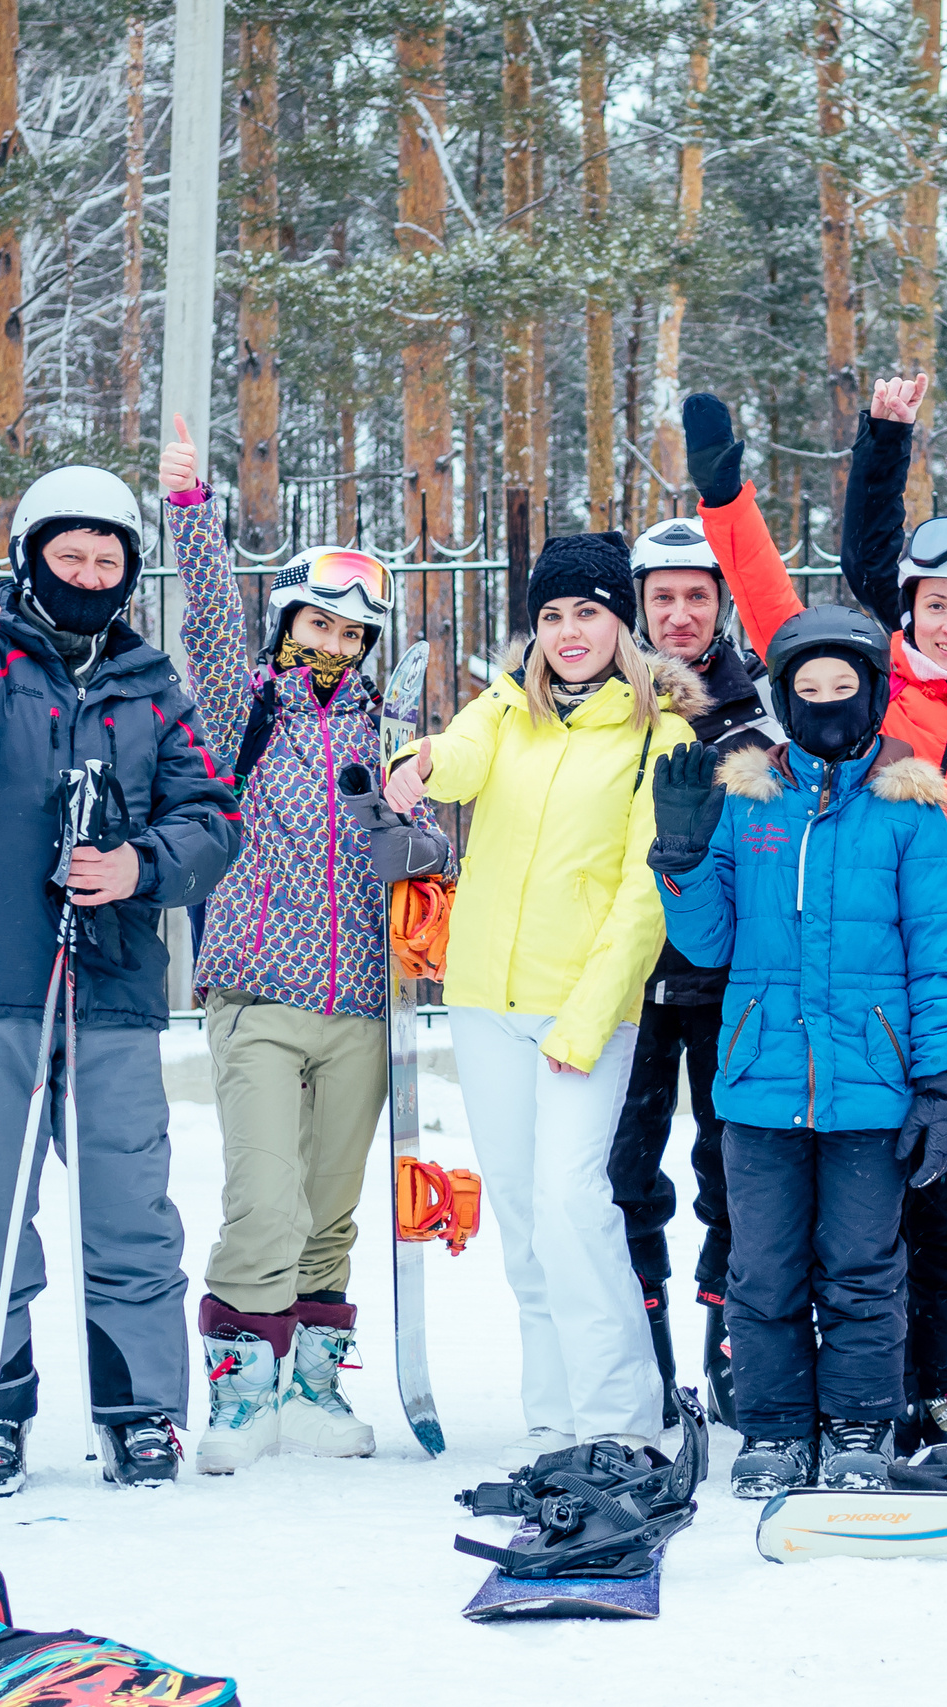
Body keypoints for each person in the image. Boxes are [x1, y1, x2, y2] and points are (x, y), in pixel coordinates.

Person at [676, 385, 947, 1446]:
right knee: (815, 1225)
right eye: (934, 605)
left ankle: (946, 1389)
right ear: (909, 612)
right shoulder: (874, 700)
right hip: (838, 1005)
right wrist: (738, 494)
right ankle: (808, 1396)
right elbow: (779, 604)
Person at [0, 463, 241, 1496]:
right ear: (32, 560)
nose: (86, 572)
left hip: (111, 982)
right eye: (67, 555)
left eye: (105, 558)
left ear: (126, 573)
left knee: (131, 1208)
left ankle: (141, 1412)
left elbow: (211, 818)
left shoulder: (152, 686)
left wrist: (138, 868)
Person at [161, 420, 453, 1474]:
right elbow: (204, 622)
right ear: (287, 623)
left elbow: (436, 851)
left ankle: (316, 1388)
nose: (330, 647)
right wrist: (191, 512)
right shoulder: (247, 709)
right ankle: (240, 1393)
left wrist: (401, 823)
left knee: (330, 1208)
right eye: (315, 626)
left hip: (363, 1009)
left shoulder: (398, 727)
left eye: (349, 635)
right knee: (264, 1201)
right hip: (259, 994)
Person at [382, 533, 699, 1462]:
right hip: (484, 997)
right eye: (552, 615)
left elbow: (645, 898)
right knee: (521, 1215)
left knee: (573, 1205)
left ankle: (623, 1420)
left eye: (588, 613)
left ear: (621, 624)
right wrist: (420, 762)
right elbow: (463, 757)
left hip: (583, 1010)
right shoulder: (505, 706)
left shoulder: (660, 737)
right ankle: (556, 1420)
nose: (568, 632)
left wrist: (587, 1015)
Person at [645, 606, 947, 1495]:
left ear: (871, 695)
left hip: (872, 1089)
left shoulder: (908, 810)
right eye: (808, 689)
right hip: (758, 1086)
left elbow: (941, 956)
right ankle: (778, 1428)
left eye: (843, 688)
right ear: (785, 699)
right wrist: (678, 856)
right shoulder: (746, 798)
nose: (827, 704)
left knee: (865, 1270)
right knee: (763, 1272)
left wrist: (944, 1086)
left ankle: (861, 1422)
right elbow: (709, 943)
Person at [606, 515, 779, 1430]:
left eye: (697, 596)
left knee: (734, 1171)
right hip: (628, 978)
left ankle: (730, 1350)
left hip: (729, 981)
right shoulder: (606, 697)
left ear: (721, 605)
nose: (678, 614)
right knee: (624, 1171)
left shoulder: (762, 708)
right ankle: (646, 1358)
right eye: (662, 597)